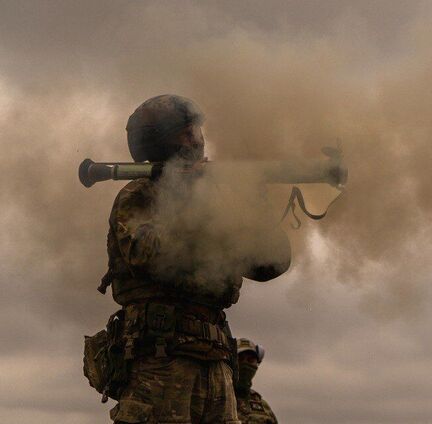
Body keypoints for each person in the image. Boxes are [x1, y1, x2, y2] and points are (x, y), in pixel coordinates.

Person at [100, 94, 291, 424]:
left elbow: (269, 265)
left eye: (196, 130)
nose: (196, 139)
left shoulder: (216, 199)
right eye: (185, 132)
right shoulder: (139, 194)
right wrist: (188, 196)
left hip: (216, 364)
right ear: (159, 141)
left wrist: (253, 206)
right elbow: (149, 254)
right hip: (162, 364)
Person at [235, 338, 278, 424]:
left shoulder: (263, 407)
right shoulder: (215, 399)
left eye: (250, 360)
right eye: (240, 359)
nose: (245, 363)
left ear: (256, 365)